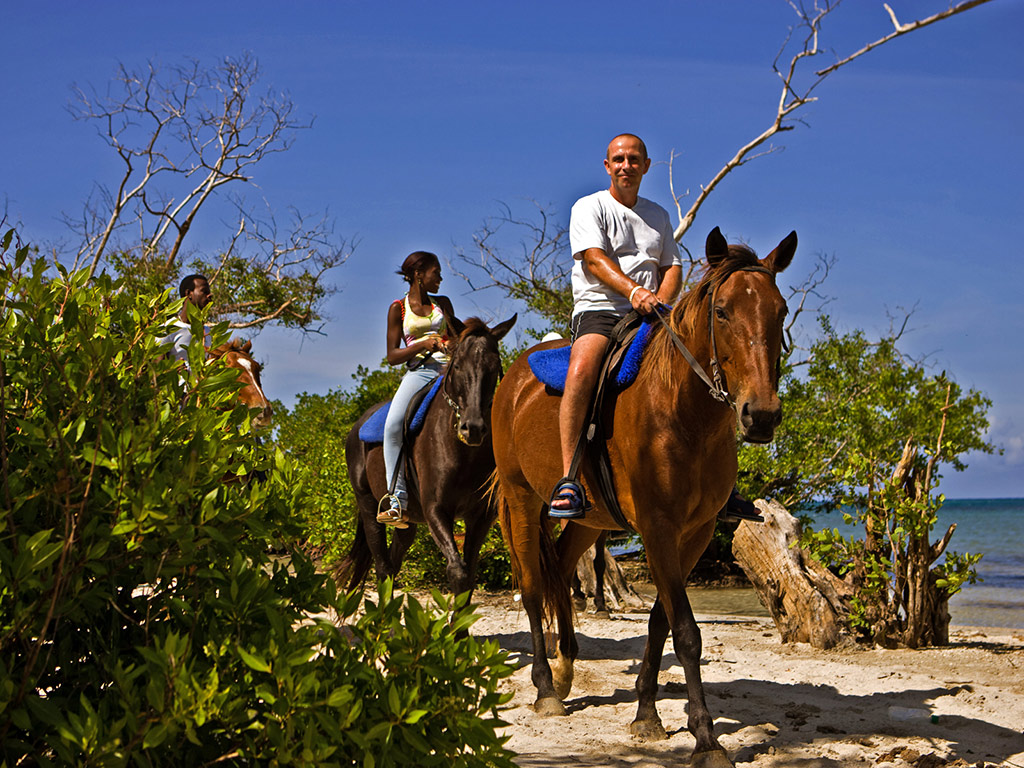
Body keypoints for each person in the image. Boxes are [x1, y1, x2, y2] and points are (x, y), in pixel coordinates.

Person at [550, 134, 682, 518]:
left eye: (634, 159)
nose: (627, 166)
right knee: (581, 370)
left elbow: (672, 266)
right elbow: (593, 259)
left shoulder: (659, 215)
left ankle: (723, 484)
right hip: (601, 310)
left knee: (704, 363)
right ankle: (569, 478)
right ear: (607, 166)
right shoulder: (589, 206)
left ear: (646, 166)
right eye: (619, 159)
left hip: (652, 312)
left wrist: (661, 303)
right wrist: (635, 291)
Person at [378, 251, 459, 526]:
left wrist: (448, 344)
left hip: (449, 369)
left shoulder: (443, 303)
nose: (440, 278)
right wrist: (423, 344)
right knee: (392, 426)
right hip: (420, 372)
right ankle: (396, 501)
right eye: (436, 273)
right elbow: (392, 356)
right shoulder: (397, 309)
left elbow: (457, 337)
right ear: (418, 275)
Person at [161, 274, 213, 367]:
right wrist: (173, 370)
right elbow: (156, 368)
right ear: (188, 293)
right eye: (204, 291)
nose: (209, 295)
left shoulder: (208, 332)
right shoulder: (167, 329)